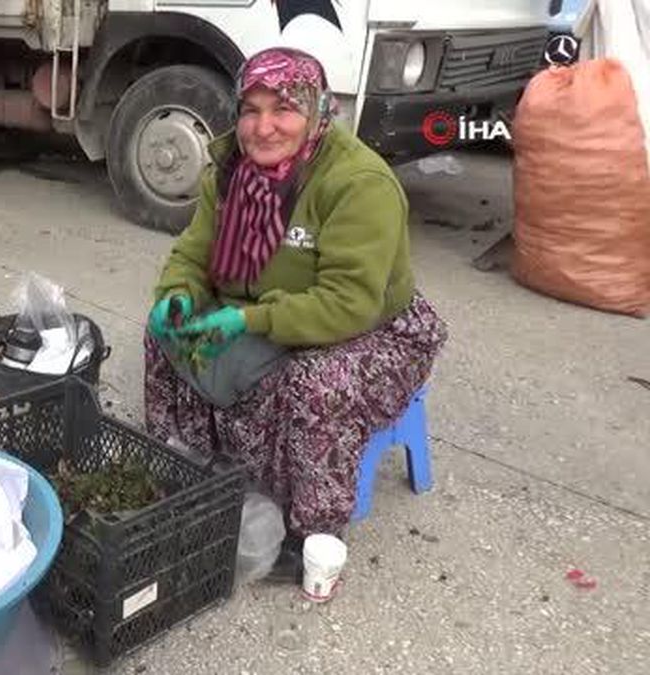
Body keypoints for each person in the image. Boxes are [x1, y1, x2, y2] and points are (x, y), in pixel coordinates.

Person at [144, 47, 448, 582]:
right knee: (167, 329)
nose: (263, 128)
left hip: (376, 327)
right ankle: (186, 464)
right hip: (264, 303)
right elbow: (193, 254)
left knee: (313, 380)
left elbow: (349, 303)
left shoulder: (357, 184)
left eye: (282, 109)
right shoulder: (231, 172)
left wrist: (250, 322)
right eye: (250, 110)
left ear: (317, 111)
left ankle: (311, 531)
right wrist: (179, 297)